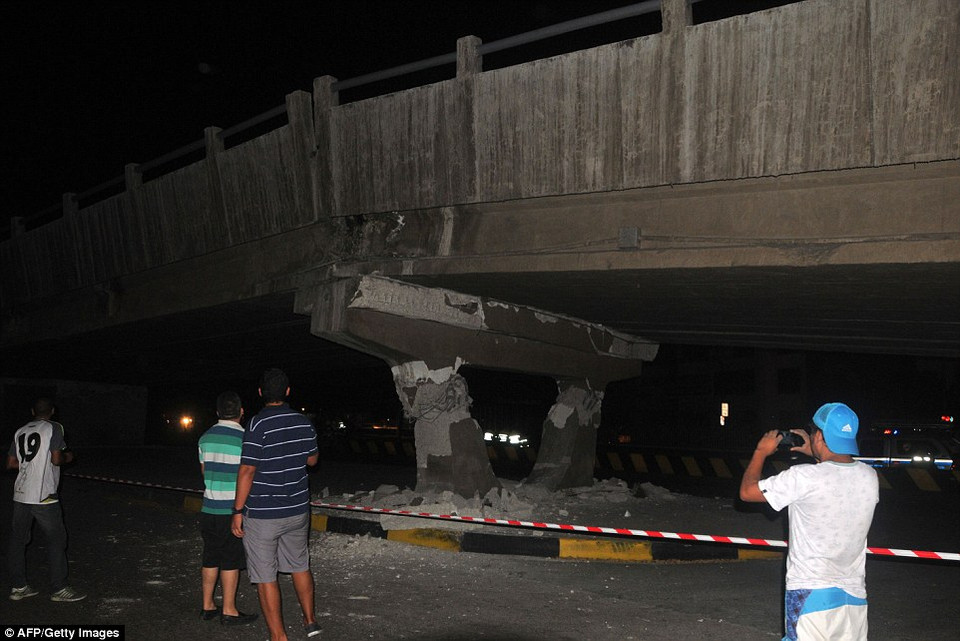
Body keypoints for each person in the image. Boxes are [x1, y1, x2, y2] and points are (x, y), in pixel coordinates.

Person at [740, 402, 879, 641]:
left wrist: (760, 452)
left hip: (811, 591)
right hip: (854, 595)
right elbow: (835, 474)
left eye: (814, 432)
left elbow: (747, 492)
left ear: (819, 437)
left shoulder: (804, 477)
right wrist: (815, 451)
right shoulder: (869, 476)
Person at [231, 368, 321, 640]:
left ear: (260, 393)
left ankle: (279, 636)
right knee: (299, 565)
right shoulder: (303, 422)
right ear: (288, 392)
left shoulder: (257, 424)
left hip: (263, 513)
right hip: (297, 509)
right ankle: (310, 621)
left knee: (265, 574)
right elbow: (312, 461)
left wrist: (237, 511)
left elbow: (247, 470)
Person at [6, 398, 86, 602]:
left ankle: (19, 587)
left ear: (33, 411)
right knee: (57, 540)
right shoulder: (54, 427)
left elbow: (11, 463)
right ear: (52, 411)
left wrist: (30, 464)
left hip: (21, 494)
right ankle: (59, 589)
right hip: (44, 495)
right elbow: (57, 459)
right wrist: (70, 457)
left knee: (17, 542)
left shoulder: (20, 430)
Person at [197, 390, 258, 626]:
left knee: (210, 557)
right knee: (231, 559)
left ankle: (207, 606)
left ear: (217, 413)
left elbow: (205, 472)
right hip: (232, 510)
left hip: (209, 508)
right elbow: (249, 475)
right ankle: (229, 610)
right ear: (242, 412)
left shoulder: (205, 438)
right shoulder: (246, 439)